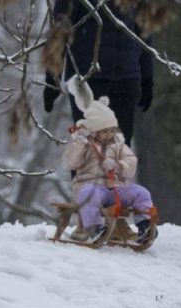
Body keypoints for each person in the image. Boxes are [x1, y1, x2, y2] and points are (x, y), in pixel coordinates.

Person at [43, 0, 155, 145]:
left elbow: (145, 29)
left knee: (119, 155)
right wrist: (52, 79)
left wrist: (147, 77)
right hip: (87, 82)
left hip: (125, 80)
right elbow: (59, 31)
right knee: (88, 153)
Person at [61, 97, 156, 244]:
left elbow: (131, 161)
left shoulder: (119, 146)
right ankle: (94, 227)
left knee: (142, 193)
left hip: (117, 189)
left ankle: (145, 225)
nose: (110, 134)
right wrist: (78, 144)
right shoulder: (85, 146)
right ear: (94, 131)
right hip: (93, 189)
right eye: (105, 131)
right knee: (86, 193)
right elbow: (71, 162)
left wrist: (118, 166)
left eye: (112, 130)